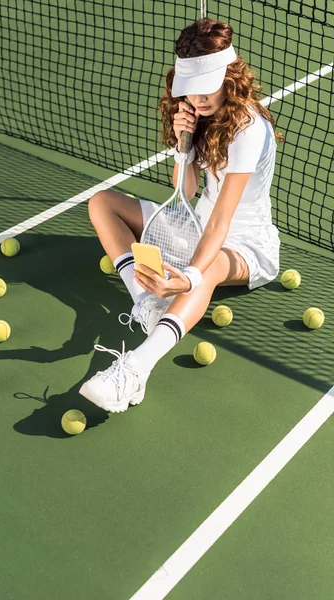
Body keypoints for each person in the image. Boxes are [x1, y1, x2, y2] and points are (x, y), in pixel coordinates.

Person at [79, 17, 284, 412]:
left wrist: (189, 276)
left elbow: (223, 219)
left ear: (229, 75)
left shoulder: (249, 128)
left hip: (242, 245)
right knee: (102, 202)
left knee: (204, 273)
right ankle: (146, 301)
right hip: (195, 229)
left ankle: (136, 370)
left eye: (206, 88)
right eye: (190, 91)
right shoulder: (197, 113)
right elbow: (186, 191)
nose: (198, 99)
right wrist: (182, 144)